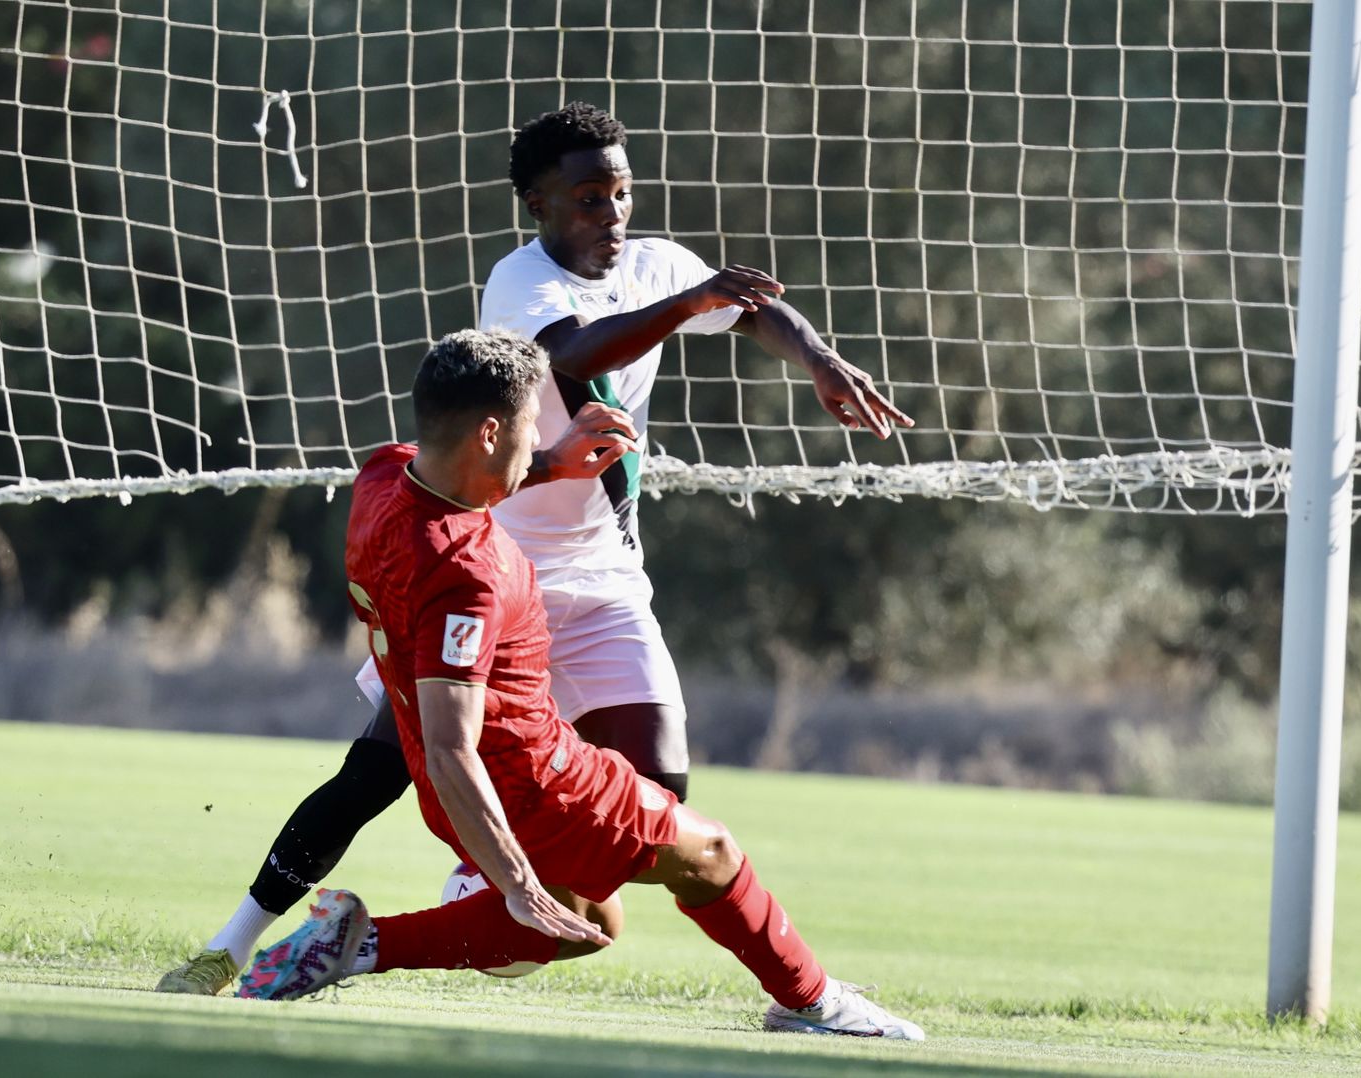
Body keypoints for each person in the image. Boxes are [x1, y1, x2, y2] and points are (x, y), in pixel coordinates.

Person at [157, 101, 912, 995]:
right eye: (589, 198)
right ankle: (231, 944)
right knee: (377, 770)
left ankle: (473, 901)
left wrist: (818, 355)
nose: (612, 215)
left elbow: (750, 315)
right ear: (538, 206)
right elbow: (576, 353)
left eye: (622, 193)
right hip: (499, 572)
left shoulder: (658, 267)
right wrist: (687, 304)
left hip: (606, 574)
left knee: (658, 799)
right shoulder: (522, 284)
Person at [235, 329, 923, 1040]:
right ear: (490, 431)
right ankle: (811, 1002)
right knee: (712, 856)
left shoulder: (383, 476)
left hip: (474, 785)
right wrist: (515, 879)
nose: (539, 437)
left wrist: (544, 466)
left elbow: (459, 480)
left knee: (583, 924)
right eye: (533, 424)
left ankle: (354, 945)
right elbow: (451, 746)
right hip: (537, 782)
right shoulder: (462, 574)